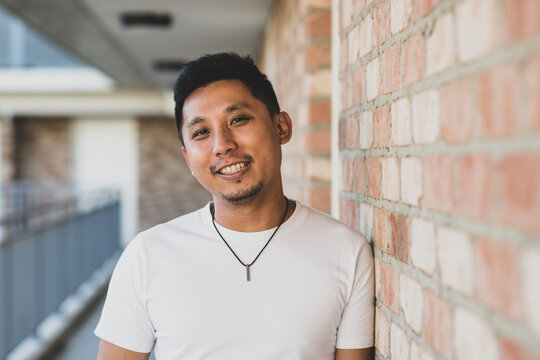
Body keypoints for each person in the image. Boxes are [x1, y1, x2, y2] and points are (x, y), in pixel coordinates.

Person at [95, 52, 374, 360]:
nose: (222, 145)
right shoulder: (147, 255)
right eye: (201, 132)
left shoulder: (348, 251)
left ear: (281, 127)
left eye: (238, 120)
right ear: (188, 158)